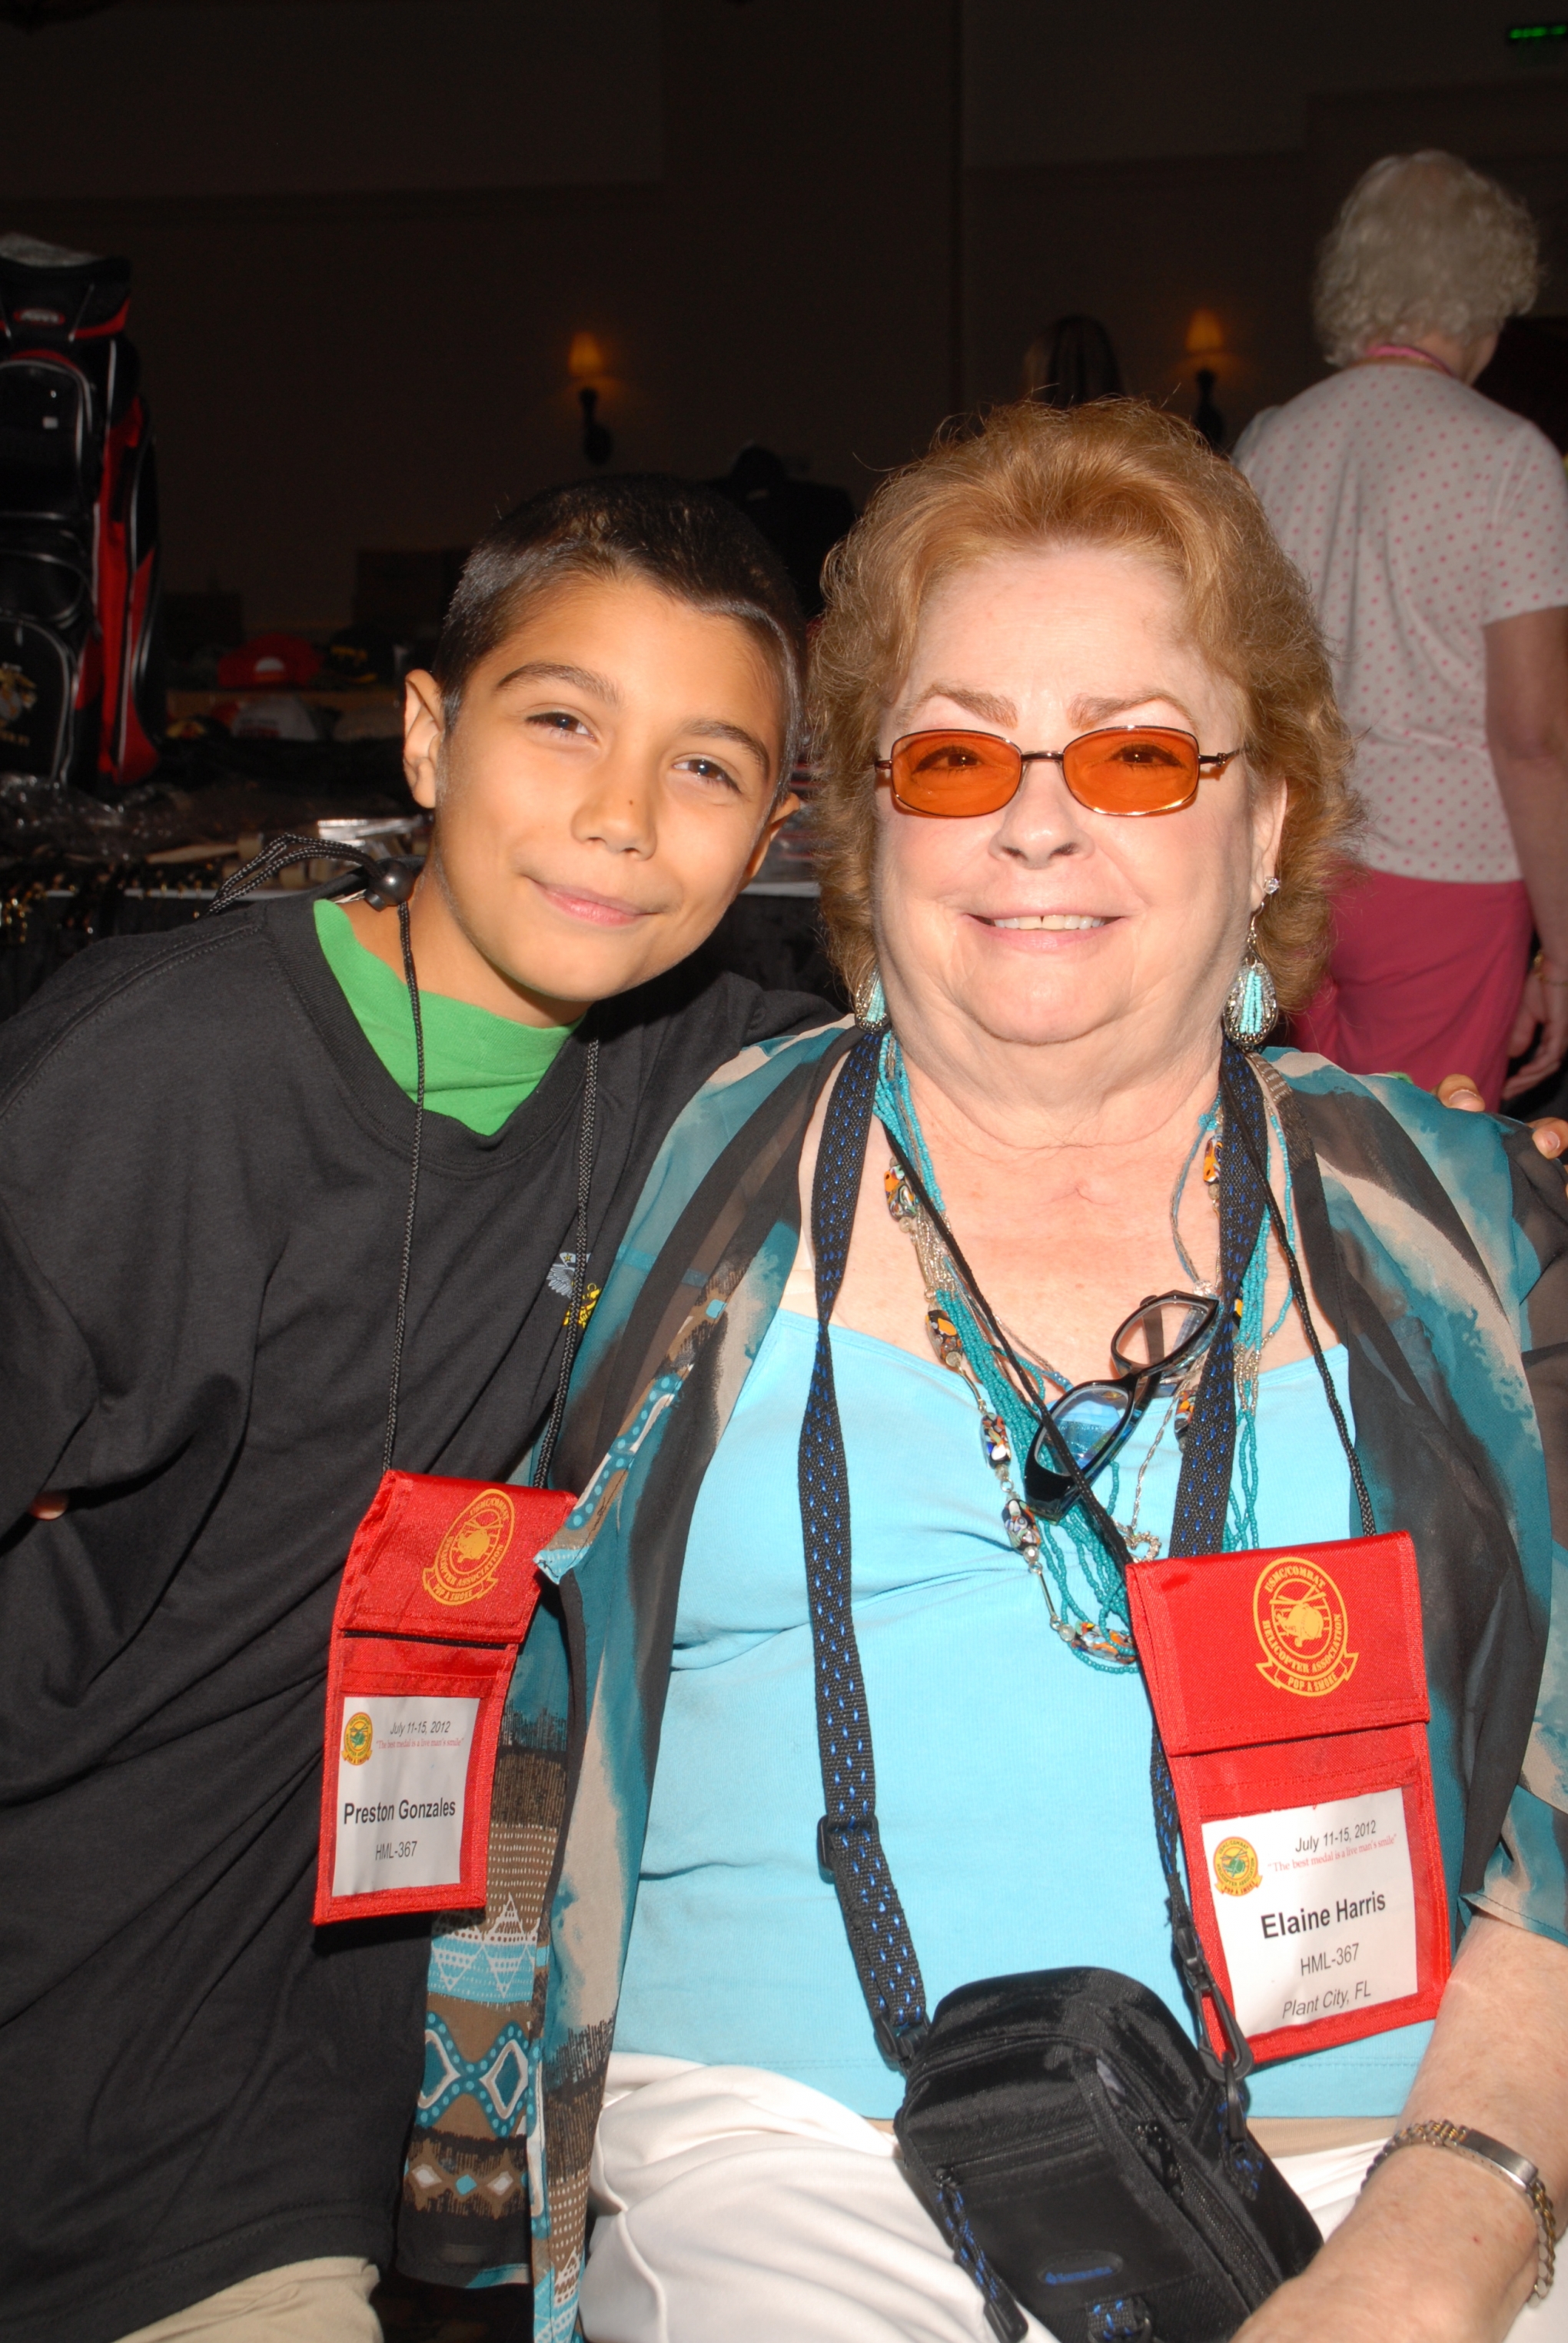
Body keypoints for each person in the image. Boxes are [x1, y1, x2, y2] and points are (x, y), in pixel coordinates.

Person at [400, 400, 1568, 2343]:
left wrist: (1434, 2250)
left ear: (1268, 818)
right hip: (788, 2166)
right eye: (954, 755)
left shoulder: (1458, 1234)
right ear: (866, 819)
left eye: (1134, 751)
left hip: (1410, 2166)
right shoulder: (667, 1159)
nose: (1039, 822)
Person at [0, 476, 816, 2343]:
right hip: (59, 1985)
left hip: (282, 2095)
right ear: (429, 738)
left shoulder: (713, 1085)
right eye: (563, 722)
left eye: (704, 768)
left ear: (774, 831)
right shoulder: (162, 1077)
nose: (621, 816)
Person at [1235, 151, 1568, 1111]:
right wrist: (1562, 951)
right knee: (1423, 1163)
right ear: (1489, 296)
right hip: (1445, 872)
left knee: (1309, 1135)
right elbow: (1533, 736)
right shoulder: (1508, 458)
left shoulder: (1270, 442)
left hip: (1293, 854)